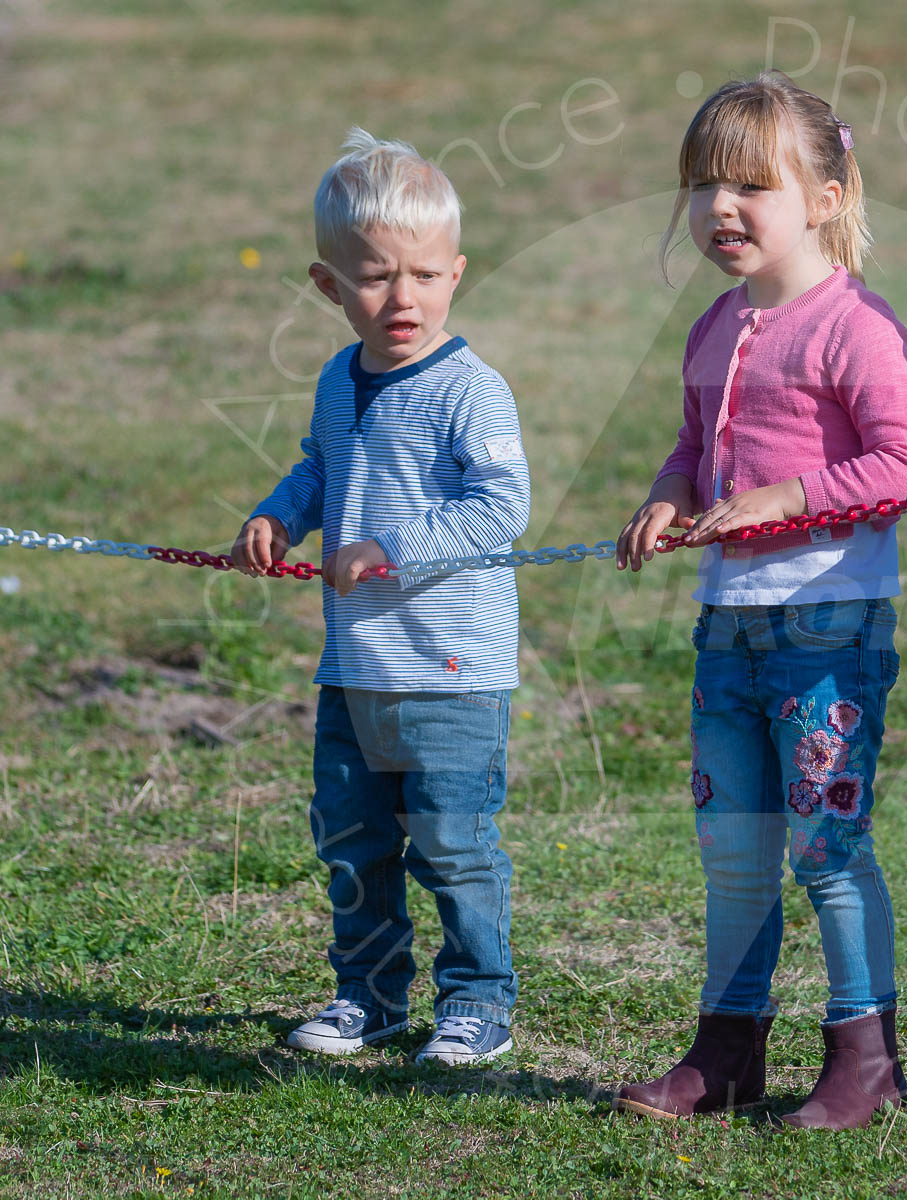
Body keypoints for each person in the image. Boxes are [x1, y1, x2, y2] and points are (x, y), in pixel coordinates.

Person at [612, 72, 907, 1130]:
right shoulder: (714, 323)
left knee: (825, 848)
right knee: (736, 849)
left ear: (828, 196)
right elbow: (688, 448)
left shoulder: (854, 327)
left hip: (826, 630)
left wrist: (788, 496)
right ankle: (727, 1051)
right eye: (705, 183)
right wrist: (670, 497)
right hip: (728, 631)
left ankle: (864, 1057)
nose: (721, 207)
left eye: (752, 183)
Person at [230, 128, 530, 1066]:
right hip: (355, 666)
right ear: (329, 286)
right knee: (354, 844)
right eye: (373, 277)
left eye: (425, 275)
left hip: (450, 668)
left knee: (451, 845)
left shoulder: (470, 390)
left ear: (456, 274)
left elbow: (502, 507)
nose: (402, 297)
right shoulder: (337, 380)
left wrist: (391, 549)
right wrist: (280, 517)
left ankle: (478, 1000)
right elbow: (320, 469)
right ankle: (368, 996)